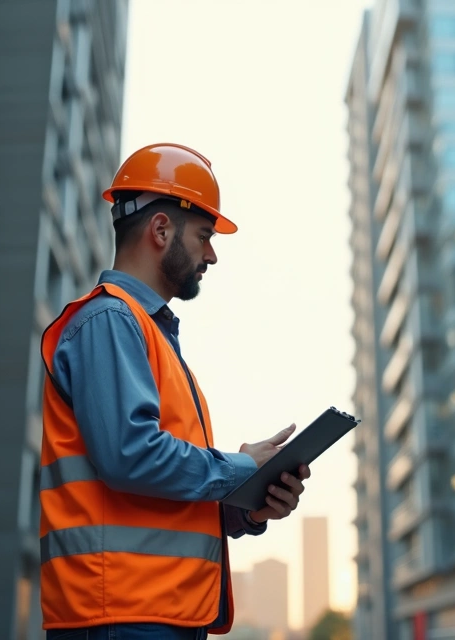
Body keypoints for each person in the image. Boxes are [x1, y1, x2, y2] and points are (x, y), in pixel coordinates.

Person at [38, 142, 310, 639]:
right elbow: (130, 456)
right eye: (204, 236)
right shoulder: (111, 320)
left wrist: (247, 506)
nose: (212, 255)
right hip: (121, 616)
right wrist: (241, 468)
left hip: (151, 613)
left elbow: (158, 490)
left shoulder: (145, 332)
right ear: (161, 230)